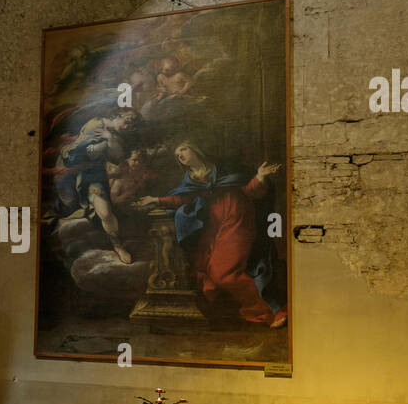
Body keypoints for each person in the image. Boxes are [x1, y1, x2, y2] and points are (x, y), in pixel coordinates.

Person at [136, 141, 286, 327]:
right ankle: (232, 310)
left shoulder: (225, 170)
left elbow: (250, 192)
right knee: (204, 266)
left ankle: (269, 310)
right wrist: (156, 199)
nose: (180, 156)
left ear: (195, 149)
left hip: (237, 222)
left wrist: (260, 177)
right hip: (213, 227)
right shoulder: (190, 180)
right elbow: (182, 198)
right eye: (177, 155)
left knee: (223, 273)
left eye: (183, 150)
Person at [53, 109, 142, 263]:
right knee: (68, 204)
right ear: (117, 115)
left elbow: (117, 157)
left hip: (94, 174)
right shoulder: (97, 123)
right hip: (71, 172)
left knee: (106, 213)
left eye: (131, 125)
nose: (127, 126)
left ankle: (118, 246)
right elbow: (81, 153)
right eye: (127, 121)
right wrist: (105, 145)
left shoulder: (116, 135)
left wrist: (109, 139)